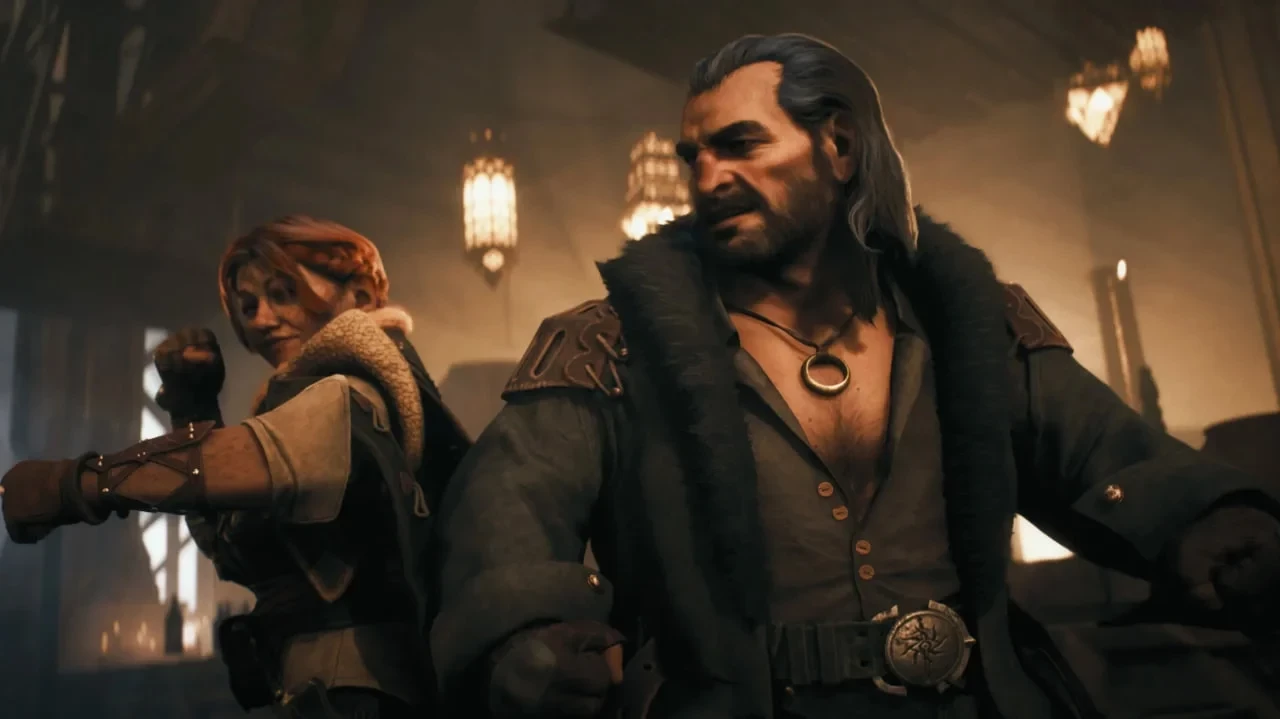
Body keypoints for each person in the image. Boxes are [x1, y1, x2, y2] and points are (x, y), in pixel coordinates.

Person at [428, 35, 1280, 719]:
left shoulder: (966, 325)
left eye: (739, 145)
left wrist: (1211, 522)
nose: (707, 179)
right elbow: (510, 504)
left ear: (837, 147)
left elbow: (1100, 446)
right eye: (695, 156)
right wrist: (521, 637)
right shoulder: (611, 342)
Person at [1, 216, 471, 718]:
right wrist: (194, 409)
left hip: (358, 693)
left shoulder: (354, 394)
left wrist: (75, 485)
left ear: (358, 296)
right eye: (249, 306)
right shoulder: (313, 406)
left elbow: (242, 461)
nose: (262, 319)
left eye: (283, 294)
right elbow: (231, 547)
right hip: (320, 686)